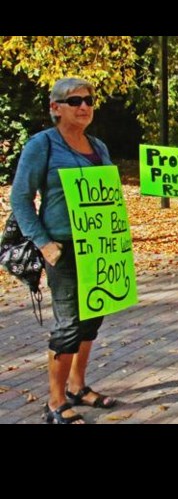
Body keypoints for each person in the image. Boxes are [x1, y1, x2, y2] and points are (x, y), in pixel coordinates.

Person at [10, 77, 118, 423]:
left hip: (99, 247)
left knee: (92, 321)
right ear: (56, 107)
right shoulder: (42, 145)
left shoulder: (98, 147)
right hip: (63, 248)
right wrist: (43, 243)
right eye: (74, 101)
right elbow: (20, 199)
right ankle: (55, 402)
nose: (84, 106)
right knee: (68, 324)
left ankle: (77, 386)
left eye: (88, 99)